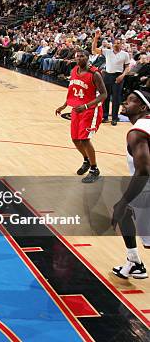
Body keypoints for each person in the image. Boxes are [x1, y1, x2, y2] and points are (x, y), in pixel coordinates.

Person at [111, 90, 150, 279]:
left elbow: (143, 171)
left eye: (131, 101)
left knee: (121, 208)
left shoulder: (137, 132)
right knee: (122, 212)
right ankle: (134, 261)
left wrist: (125, 200)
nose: (125, 104)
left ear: (143, 107)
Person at [56, 50, 107, 183]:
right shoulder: (74, 71)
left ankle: (94, 169)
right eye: (77, 56)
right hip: (76, 109)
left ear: (87, 57)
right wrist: (64, 105)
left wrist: (85, 106)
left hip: (91, 110)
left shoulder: (94, 73)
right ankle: (86, 160)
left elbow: (104, 95)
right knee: (75, 139)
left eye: (82, 56)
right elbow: (73, 91)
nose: (79, 58)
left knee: (84, 139)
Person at [92, 30, 130, 126]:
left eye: (119, 43)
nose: (117, 44)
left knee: (116, 98)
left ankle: (114, 118)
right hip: (107, 76)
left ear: (121, 44)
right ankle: (104, 116)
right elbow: (94, 49)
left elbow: (127, 67)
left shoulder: (125, 54)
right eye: (115, 42)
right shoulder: (107, 52)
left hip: (118, 76)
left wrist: (122, 75)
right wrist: (96, 38)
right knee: (106, 96)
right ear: (112, 44)